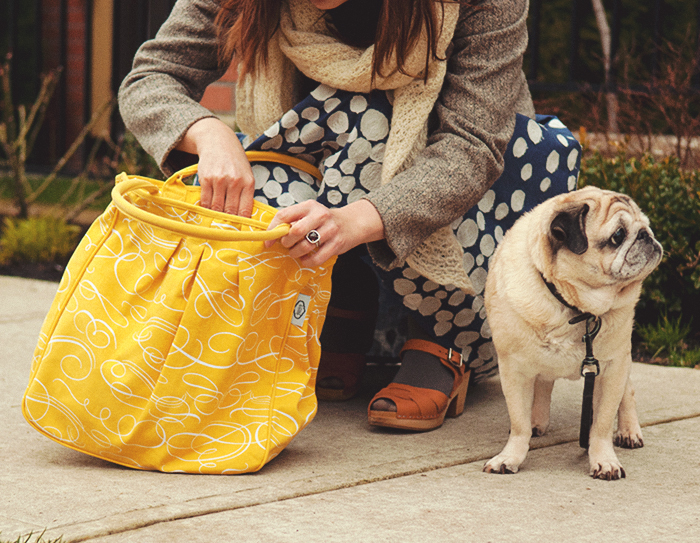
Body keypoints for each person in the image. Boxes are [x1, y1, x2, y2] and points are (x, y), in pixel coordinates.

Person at [119, 0, 581, 432]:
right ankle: (341, 306)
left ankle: (440, 338)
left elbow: (472, 146)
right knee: (259, 166)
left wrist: (359, 220)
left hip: (469, 203)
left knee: (370, 120)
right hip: (329, 181)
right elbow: (152, 77)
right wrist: (208, 133)